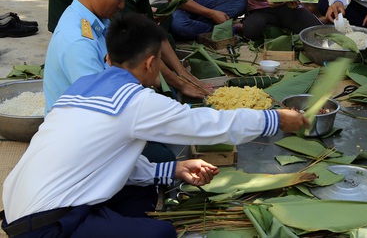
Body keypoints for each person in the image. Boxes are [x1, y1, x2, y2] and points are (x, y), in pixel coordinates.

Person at [1, 14, 308, 238]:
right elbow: (208, 124)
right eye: (160, 61)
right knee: (160, 234)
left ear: (108, 57)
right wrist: (276, 119)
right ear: (150, 64)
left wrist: (171, 170)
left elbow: (103, 163)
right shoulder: (136, 101)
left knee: (145, 193)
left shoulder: (81, 88)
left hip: (21, 207)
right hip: (44, 225)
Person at [44, 0, 134, 114]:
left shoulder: (96, 19)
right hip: (77, 128)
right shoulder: (78, 42)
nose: (121, 6)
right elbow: (100, 103)